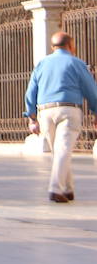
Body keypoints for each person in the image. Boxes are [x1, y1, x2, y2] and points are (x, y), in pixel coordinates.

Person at [24, 31, 97, 203]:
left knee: (59, 151)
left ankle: (67, 188)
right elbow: (91, 90)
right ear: (71, 46)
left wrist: (32, 118)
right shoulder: (77, 63)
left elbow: (30, 91)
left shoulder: (41, 64)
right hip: (69, 110)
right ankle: (55, 188)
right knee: (63, 150)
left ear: (52, 47)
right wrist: (95, 112)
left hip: (45, 112)